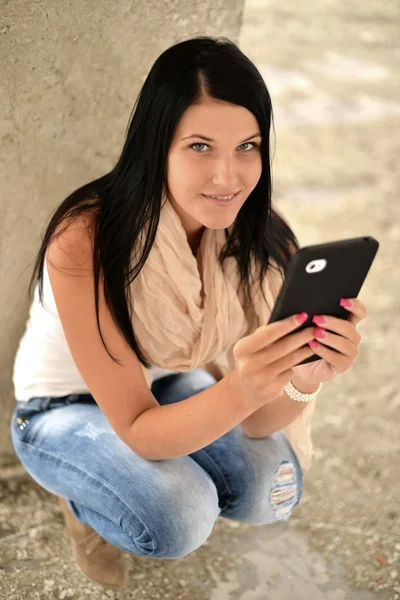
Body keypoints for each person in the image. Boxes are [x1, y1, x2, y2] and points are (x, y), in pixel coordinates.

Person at [10, 35, 365, 590]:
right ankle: (85, 506)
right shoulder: (85, 237)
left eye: (247, 146)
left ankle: (142, 478)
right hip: (61, 407)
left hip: (173, 383)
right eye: (200, 146)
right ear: (158, 146)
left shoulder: (262, 240)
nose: (228, 176)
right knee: (178, 517)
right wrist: (243, 387)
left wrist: (302, 377)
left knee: (270, 491)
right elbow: (140, 428)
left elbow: (255, 420)